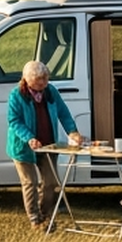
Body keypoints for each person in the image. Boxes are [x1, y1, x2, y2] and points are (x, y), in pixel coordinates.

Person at [7, 59, 84, 229]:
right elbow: (14, 121)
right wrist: (29, 138)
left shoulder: (50, 91)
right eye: (39, 79)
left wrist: (72, 131)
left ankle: (45, 215)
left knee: (50, 182)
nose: (43, 82)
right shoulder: (16, 95)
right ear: (27, 79)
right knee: (30, 183)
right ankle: (35, 219)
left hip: (48, 144)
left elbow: (63, 113)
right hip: (23, 146)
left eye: (45, 78)